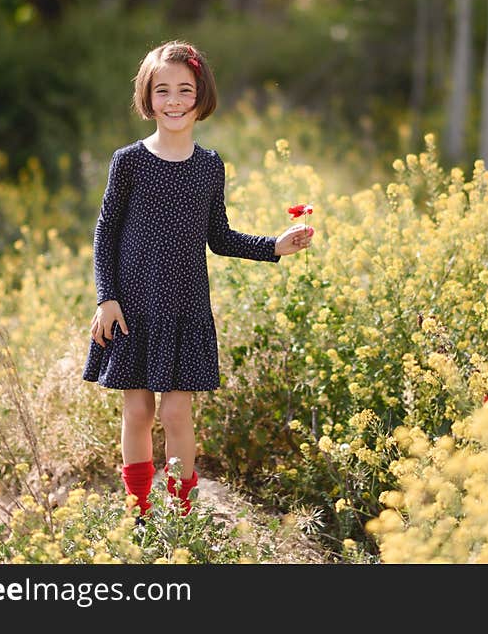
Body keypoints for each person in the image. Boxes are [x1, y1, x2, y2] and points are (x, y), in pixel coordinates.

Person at [81, 40, 314, 518]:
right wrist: (106, 298)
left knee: (175, 413)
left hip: (184, 308)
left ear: (200, 97)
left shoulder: (209, 167)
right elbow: (105, 230)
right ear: (147, 98)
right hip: (132, 307)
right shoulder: (129, 161)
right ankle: (139, 511)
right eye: (161, 90)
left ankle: (181, 516)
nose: (173, 101)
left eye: (184, 90)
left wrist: (274, 245)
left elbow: (220, 237)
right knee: (140, 413)